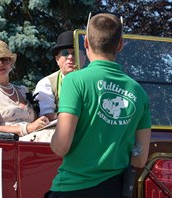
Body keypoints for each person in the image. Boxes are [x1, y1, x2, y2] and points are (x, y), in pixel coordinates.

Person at [47, 13, 152, 197]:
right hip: (115, 190)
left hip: (72, 189)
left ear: (86, 42)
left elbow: (61, 145)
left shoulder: (75, 81)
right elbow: (140, 159)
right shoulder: (139, 92)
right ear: (120, 45)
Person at [0, 40, 50, 138]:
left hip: (36, 137)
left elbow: (34, 122)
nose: (0, 64)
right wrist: (27, 129)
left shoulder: (23, 91)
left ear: (10, 63)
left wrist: (42, 122)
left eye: (5, 59)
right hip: (10, 145)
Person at [33, 31, 76, 121]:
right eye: (65, 53)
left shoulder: (92, 79)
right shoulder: (46, 83)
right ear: (57, 59)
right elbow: (46, 116)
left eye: (75, 53)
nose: (70, 57)